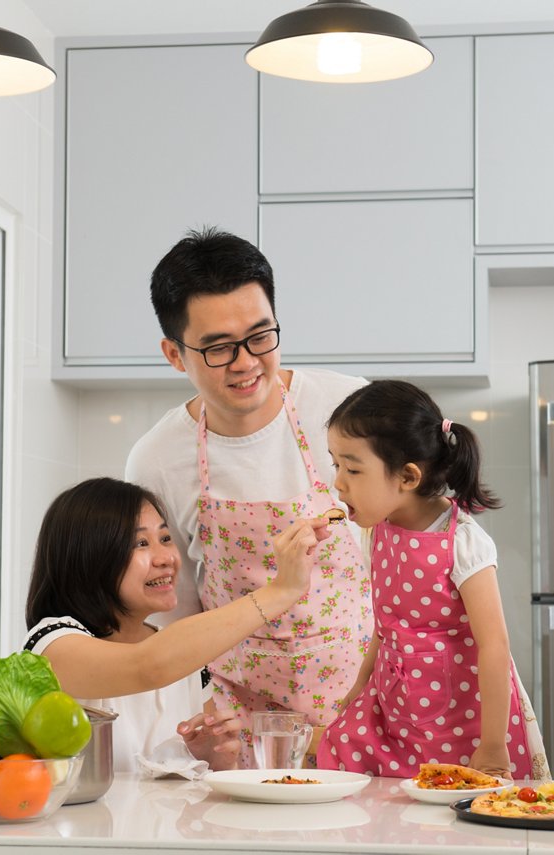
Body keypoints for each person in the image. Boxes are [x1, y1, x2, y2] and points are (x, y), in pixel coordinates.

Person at [124, 227, 371, 764]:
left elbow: (415, 534)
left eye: (261, 337)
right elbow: (178, 615)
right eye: (217, 347)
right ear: (173, 354)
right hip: (246, 730)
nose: (246, 361)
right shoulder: (157, 460)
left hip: (366, 707)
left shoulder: (351, 406)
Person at [316, 380, 549, 780]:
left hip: (462, 717)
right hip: (395, 703)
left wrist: (492, 747)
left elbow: (494, 646)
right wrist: (359, 687)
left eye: (352, 468)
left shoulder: (462, 542)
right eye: (336, 464)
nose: (338, 482)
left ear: (407, 477)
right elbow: (386, 624)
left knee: (456, 813)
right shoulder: (377, 530)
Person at [24, 477, 334, 772]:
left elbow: (199, 786)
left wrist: (210, 756)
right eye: (141, 543)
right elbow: (148, 666)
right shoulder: (52, 643)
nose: (166, 558)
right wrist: (280, 592)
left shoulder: (183, 659)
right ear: (89, 558)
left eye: (166, 538)